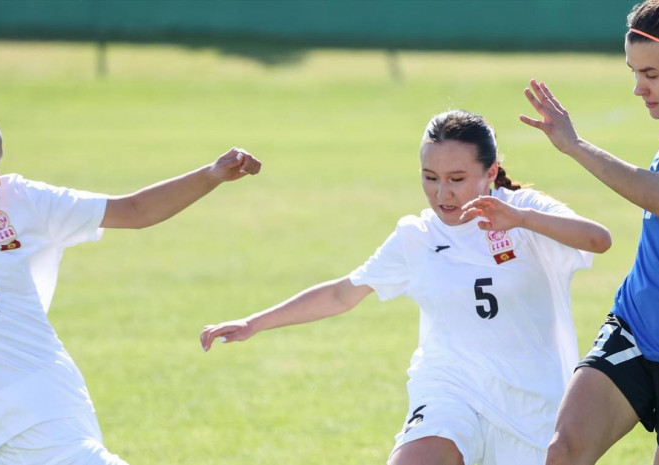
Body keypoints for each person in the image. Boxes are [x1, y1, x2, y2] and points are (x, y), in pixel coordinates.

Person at [201, 109, 611, 465]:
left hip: (529, 403)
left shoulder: (526, 211)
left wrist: (521, 220)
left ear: (490, 173)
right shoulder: (415, 237)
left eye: (456, 178)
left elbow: (598, 239)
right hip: (450, 387)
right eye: (430, 177)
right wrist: (254, 322)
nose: (442, 193)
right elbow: (343, 292)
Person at [0, 87, 261, 465]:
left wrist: (212, 174)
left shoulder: (21, 200)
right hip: (15, 425)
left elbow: (133, 210)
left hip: (50, 414)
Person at [520, 0, 659, 463]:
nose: (638, 88)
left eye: (651, 74)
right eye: (633, 71)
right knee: (563, 451)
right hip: (636, 326)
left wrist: (575, 145)